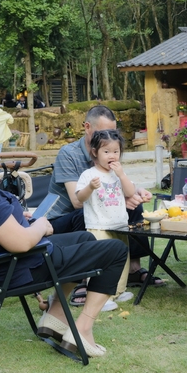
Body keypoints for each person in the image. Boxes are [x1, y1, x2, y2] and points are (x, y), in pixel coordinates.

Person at [0, 115, 126, 358]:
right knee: (115, 250)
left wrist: (16, 218)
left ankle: (56, 316)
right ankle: (82, 330)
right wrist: (41, 226)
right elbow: (21, 243)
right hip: (18, 268)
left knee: (84, 239)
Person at [45, 105, 164, 301]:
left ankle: (133, 268)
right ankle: (84, 280)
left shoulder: (110, 152)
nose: (109, 136)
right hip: (62, 219)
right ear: (87, 127)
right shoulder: (69, 154)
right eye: (103, 132)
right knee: (89, 212)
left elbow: (117, 185)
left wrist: (136, 191)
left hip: (97, 208)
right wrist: (121, 200)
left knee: (133, 204)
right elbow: (76, 201)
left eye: (113, 132)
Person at [76, 129, 136, 304]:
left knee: (122, 260)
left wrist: (122, 175)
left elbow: (130, 192)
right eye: (107, 151)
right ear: (95, 152)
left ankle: (118, 291)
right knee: (101, 263)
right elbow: (80, 198)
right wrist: (90, 187)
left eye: (116, 151)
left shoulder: (119, 174)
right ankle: (99, 298)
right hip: (98, 226)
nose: (112, 155)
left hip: (119, 226)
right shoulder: (88, 175)